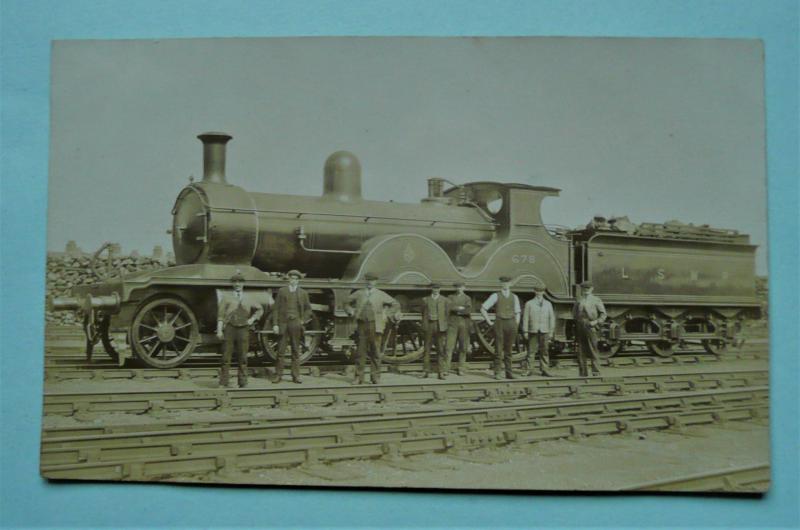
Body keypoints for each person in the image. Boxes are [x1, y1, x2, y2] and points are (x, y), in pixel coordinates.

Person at [347, 272, 401, 384]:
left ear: (375, 282)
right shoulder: (359, 293)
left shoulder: (381, 294)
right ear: (365, 281)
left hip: (376, 326)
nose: (370, 283)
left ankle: (375, 377)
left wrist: (387, 314)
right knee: (360, 352)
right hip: (361, 325)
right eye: (368, 281)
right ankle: (358, 377)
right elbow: (345, 302)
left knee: (375, 352)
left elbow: (395, 304)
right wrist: (350, 311)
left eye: (372, 281)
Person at [216, 270, 264, 388]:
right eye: (235, 282)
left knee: (243, 357)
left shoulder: (249, 297)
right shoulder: (226, 297)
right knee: (226, 357)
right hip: (230, 328)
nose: (237, 284)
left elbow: (260, 309)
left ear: (243, 284)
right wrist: (219, 329)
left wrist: (252, 320)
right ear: (233, 284)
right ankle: (223, 382)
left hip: (243, 329)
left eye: (240, 282)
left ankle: (243, 382)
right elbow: (220, 315)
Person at [271, 269, 312, 384]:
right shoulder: (282, 291)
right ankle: (278, 375)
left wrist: (303, 320)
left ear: (298, 280)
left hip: (296, 324)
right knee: (280, 351)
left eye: (296, 279)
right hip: (283, 323)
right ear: (288, 279)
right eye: (292, 278)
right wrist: (275, 324)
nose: (293, 281)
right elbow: (275, 309)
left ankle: (296, 376)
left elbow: (309, 309)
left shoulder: (303, 293)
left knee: (295, 350)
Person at [480, 276, 521, 379]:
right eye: (503, 283)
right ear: (500, 284)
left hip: (511, 323)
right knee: (498, 349)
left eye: (507, 283)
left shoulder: (514, 297)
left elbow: (518, 312)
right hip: (500, 323)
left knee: (509, 350)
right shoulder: (495, 296)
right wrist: (489, 321)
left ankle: (509, 373)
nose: (505, 285)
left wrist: (516, 324)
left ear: (510, 284)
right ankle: (497, 372)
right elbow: (483, 308)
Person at [573, 280, 607, 377]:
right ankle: (583, 373)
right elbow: (574, 313)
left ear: (592, 289)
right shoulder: (579, 299)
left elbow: (603, 314)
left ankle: (596, 372)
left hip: (591, 325)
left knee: (593, 349)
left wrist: (595, 322)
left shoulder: (596, 300)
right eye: (584, 288)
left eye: (588, 288)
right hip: (580, 325)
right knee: (580, 350)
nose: (586, 290)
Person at [522, 284, 556, 376]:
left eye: (541, 291)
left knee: (544, 351)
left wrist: (551, 331)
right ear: (534, 291)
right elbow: (525, 318)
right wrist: (525, 331)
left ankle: (545, 370)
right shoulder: (529, 303)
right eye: (537, 291)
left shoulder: (548, 304)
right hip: (533, 330)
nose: (539, 293)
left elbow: (551, 318)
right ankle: (529, 370)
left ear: (544, 292)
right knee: (531, 351)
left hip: (545, 330)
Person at [421, 282, 449, 379]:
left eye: (437, 288)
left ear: (440, 289)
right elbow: (423, 313)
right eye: (434, 288)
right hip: (429, 325)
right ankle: (425, 371)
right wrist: (424, 325)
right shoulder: (425, 300)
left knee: (440, 350)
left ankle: (441, 372)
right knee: (426, 349)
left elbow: (447, 314)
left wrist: (444, 326)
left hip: (439, 326)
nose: (436, 290)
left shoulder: (445, 300)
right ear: (431, 289)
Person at [445, 281, 473, 375]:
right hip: (452, 324)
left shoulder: (467, 298)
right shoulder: (450, 297)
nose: (459, 289)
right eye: (457, 287)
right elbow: (449, 307)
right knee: (449, 347)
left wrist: (457, 310)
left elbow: (468, 310)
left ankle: (461, 368)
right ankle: (446, 369)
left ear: (464, 288)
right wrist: (461, 308)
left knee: (463, 347)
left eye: (460, 287)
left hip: (464, 324)